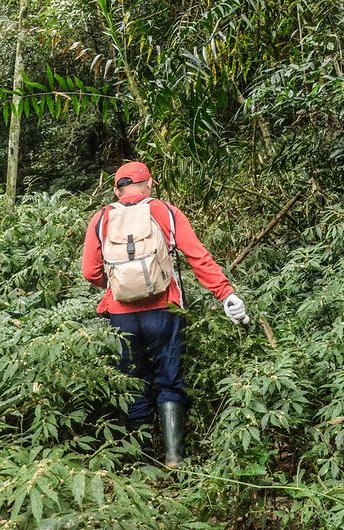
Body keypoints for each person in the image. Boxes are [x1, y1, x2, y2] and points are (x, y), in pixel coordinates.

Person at [82, 161, 249, 468]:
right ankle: (175, 457)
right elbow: (198, 256)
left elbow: (89, 271)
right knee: (169, 379)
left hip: (121, 316)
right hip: (164, 309)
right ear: (147, 184)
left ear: (116, 189)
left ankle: (141, 463)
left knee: (133, 380)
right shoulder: (165, 212)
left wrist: (118, 284)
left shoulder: (101, 218)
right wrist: (225, 294)